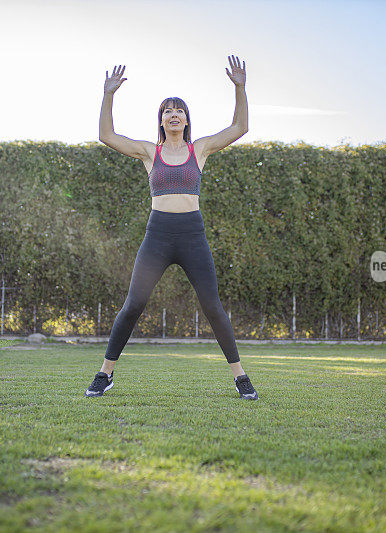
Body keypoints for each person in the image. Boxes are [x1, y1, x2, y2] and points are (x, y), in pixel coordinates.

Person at [86, 55, 258, 400]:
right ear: (161, 120)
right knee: (134, 304)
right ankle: (105, 374)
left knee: (211, 304)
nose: (174, 114)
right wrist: (109, 95)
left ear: (186, 119)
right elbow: (106, 135)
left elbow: (240, 128)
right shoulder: (150, 152)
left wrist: (240, 87)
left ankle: (240, 377)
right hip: (158, 235)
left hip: (192, 234)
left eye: (179, 110)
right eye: (168, 110)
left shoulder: (201, 149)